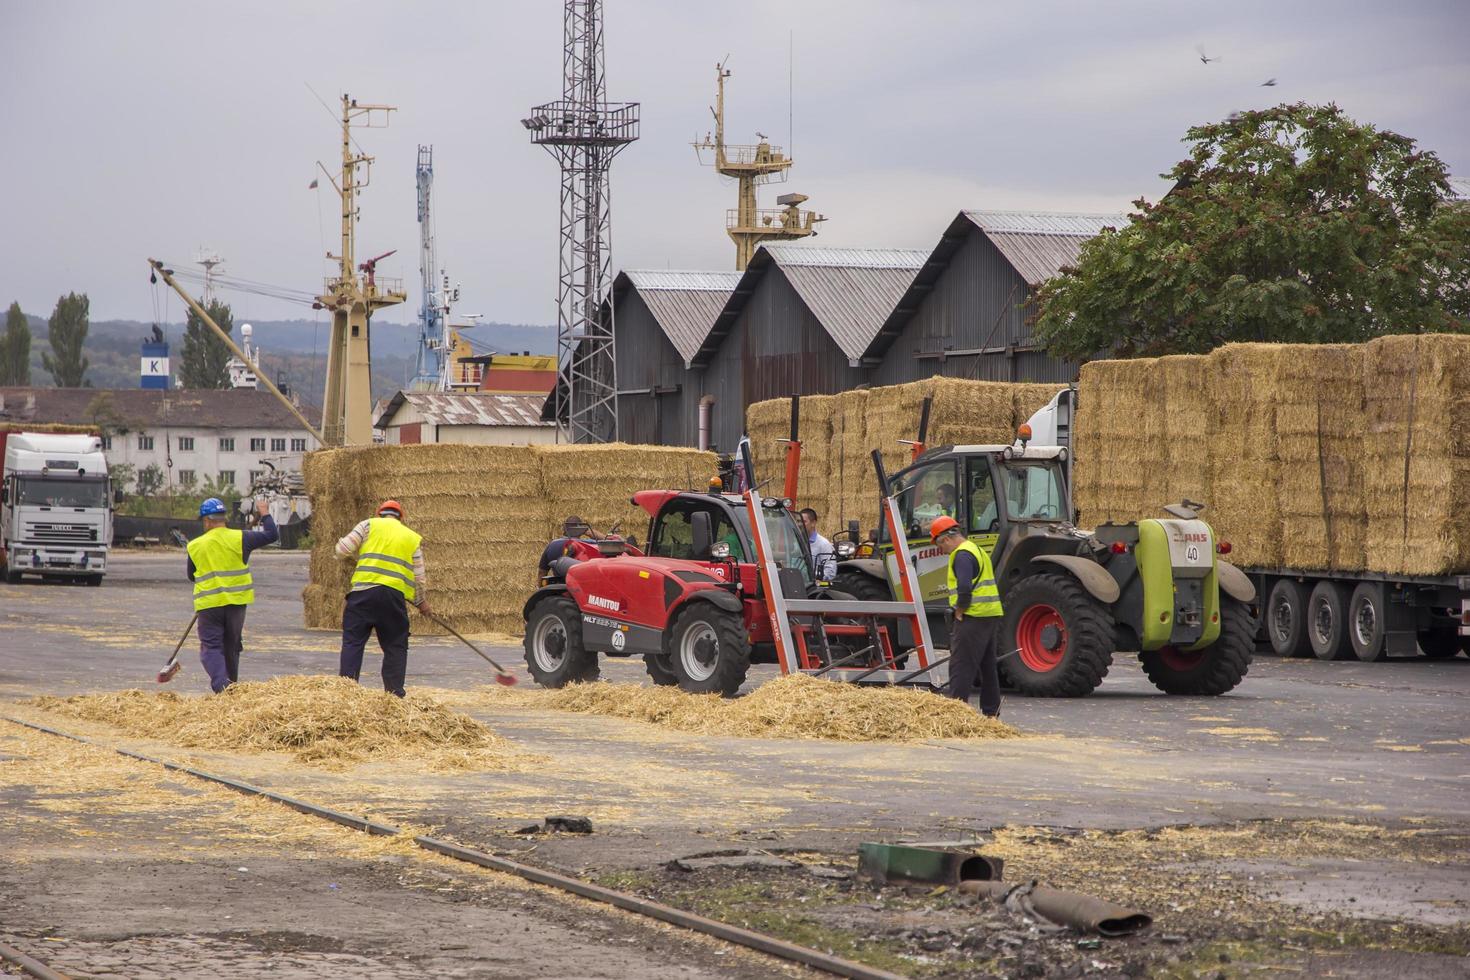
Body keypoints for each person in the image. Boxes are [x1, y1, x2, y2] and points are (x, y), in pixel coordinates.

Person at [336, 500, 428, 698]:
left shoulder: (368, 525)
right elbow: (419, 579)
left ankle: (346, 693)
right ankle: (394, 695)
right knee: (396, 645)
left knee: (353, 642)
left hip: (363, 594)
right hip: (392, 599)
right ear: (400, 518)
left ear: (379, 514)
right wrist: (421, 603)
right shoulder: (411, 537)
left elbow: (342, 550)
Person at [185, 496, 277, 693]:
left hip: (209, 606)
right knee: (232, 646)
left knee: (211, 648)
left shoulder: (195, 545)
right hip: (236, 605)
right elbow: (272, 534)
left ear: (207, 521)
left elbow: (191, 575)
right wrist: (264, 512)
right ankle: (231, 688)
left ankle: (222, 686)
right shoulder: (241, 538)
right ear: (223, 519)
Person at [930, 516, 1003, 717]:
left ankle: (956, 714)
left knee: (961, 665)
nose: (942, 551)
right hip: (990, 614)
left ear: (945, 539)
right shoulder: (976, 549)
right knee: (987, 667)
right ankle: (991, 713)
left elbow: (964, 587)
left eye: (939, 546)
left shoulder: (961, 555)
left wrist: (959, 611)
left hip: (973, 615)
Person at [798, 507, 837, 581]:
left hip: (813, 588)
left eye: (804, 522)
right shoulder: (795, 542)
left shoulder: (823, 544)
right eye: (798, 521)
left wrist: (810, 577)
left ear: (813, 523)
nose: (800, 524)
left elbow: (830, 572)